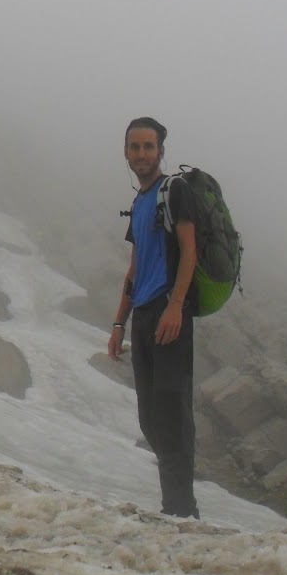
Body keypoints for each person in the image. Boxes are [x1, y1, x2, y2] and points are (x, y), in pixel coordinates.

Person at [106, 116, 199, 518]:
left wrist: (176, 305)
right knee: (150, 419)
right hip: (144, 316)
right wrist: (118, 324)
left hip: (168, 313)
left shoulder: (174, 191)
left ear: (161, 151)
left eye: (148, 146)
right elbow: (135, 267)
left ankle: (182, 513)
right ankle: (178, 507)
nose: (141, 154)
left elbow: (189, 251)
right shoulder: (141, 201)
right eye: (135, 147)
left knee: (171, 415)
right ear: (126, 152)